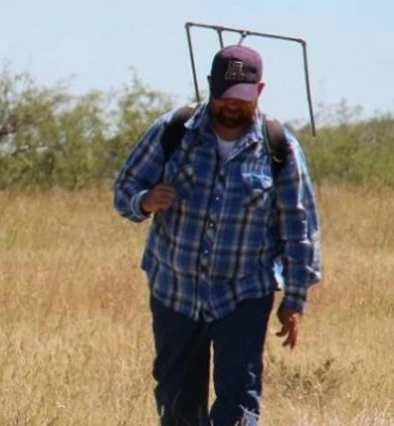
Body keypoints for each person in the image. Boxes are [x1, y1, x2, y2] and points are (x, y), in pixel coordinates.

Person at [113, 44, 322, 426]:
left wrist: (295, 299)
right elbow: (125, 188)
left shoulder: (279, 147)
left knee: (238, 401)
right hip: (175, 289)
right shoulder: (173, 130)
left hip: (244, 293)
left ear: (259, 91)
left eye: (242, 98)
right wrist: (144, 202)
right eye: (224, 96)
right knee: (177, 401)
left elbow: (299, 227)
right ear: (210, 86)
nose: (232, 106)